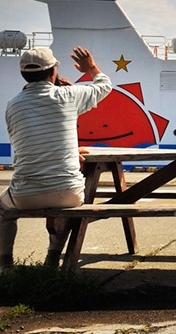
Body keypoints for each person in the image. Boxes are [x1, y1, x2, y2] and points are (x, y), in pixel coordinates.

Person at [0, 46, 112, 271]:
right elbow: (104, 86)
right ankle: (52, 258)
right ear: (53, 73)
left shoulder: (13, 105)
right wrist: (90, 68)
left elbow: (27, 143)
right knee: (61, 203)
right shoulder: (69, 96)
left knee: (2, 209)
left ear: (24, 74)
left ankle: (5, 266)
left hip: (24, 195)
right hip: (68, 193)